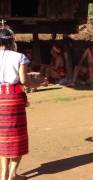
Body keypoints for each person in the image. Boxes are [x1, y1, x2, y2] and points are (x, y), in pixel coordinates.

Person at [0, 27, 45, 180]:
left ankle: (3, 174)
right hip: (13, 98)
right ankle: (12, 174)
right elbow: (24, 81)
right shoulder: (19, 57)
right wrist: (37, 84)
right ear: (12, 40)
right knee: (17, 136)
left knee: (3, 136)